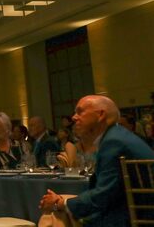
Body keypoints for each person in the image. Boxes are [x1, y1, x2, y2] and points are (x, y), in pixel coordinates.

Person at [39, 95, 154, 225]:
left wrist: (60, 203)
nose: (73, 117)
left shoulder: (114, 142)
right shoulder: (117, 136)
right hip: (133, 211)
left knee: (54, 214)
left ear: (100, 115)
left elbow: (102, 197)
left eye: (80, 111)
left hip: (130, 219)